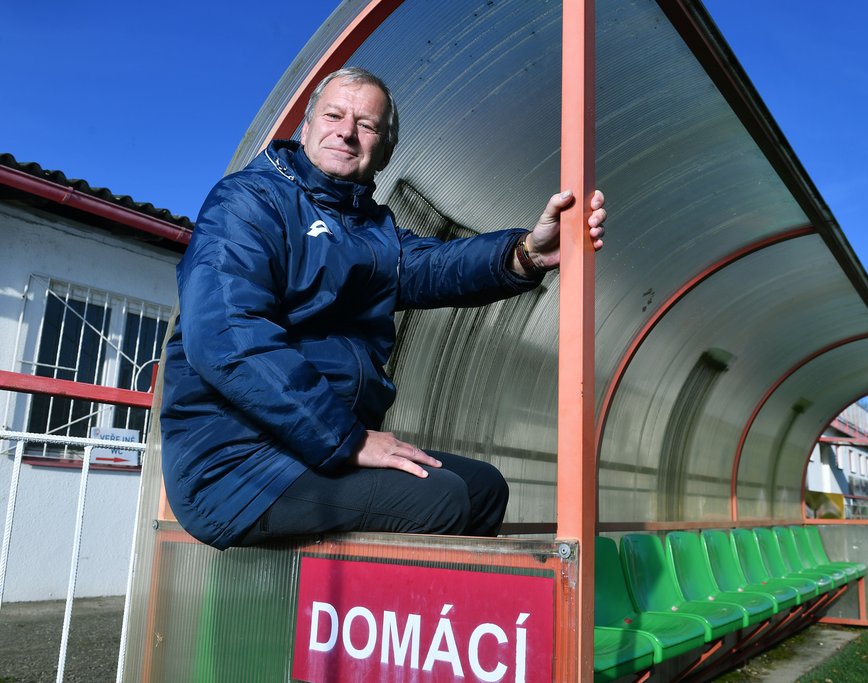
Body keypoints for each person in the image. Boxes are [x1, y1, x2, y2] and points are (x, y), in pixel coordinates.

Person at [160, 67, 606, 550]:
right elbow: (227, 337)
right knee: (441, 499)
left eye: (367, 125)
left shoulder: (371, 229)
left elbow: (434, 266)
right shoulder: (248, 202)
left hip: (313, 449)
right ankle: (347, 623)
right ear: (305, 128)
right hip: (238, 461)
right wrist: (348, 439)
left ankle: (442, 621)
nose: (347, 132)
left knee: (483, 488)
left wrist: (526, 254)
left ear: (384, 151)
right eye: (333, 115)